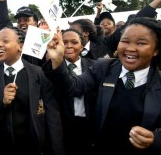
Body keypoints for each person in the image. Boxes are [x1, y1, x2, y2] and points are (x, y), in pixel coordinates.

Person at [43, 16, 161, 154]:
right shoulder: (103, 67)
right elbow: (73, 87)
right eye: (125, 41)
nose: (130, 48)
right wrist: (57, 61)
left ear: (156, 50)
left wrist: (155, 139)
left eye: (141, 43)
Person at [0, 26, 65, 155]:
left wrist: (57, 150)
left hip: (32, 147)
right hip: (0, 146)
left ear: (20, 46)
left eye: (5, 41)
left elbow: (52, 115)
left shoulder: (38, 74)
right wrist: (1, 103)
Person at [54, 28, 96, 155]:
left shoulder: (94, 66)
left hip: (88, 126)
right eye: (64, 42)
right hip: (62, 127)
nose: (69, 46)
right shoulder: (52, 68)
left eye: (74, 42)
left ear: (82, 47)